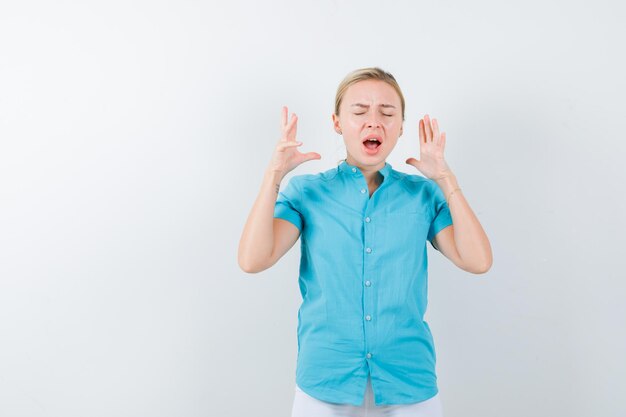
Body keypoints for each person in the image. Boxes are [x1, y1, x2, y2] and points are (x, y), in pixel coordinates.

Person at [238, 67, 492, 417]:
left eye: (387, 113)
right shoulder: (307, 192)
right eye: (359, 112)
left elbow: (477, 261)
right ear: (337, 122)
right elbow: (253, 260)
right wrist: (274, 176)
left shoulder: (422, 195)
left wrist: (445, 178)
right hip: (324, 382)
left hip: (409, 381)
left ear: (401, 126)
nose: (374, 122)